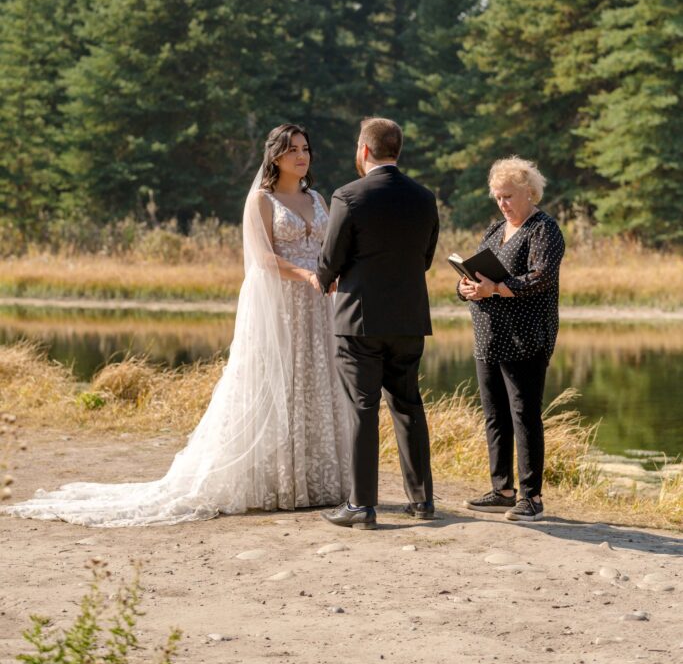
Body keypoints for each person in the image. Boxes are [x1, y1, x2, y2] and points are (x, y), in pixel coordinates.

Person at [2, 124, 350, 526]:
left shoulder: (317, 197)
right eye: (292, 150)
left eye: (305, 149)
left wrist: (332, 275)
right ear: (275, 156)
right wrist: (306, 276)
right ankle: (279, 482)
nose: (301, 156)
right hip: (282, 306)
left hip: (319, 305)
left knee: (314, 384)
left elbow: (328, 249)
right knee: (276, 383)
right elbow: (263, 260)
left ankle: (317, 481)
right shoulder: (261, 200)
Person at [317, 117, 440, 530]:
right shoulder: (424, 198)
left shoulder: (348, 196)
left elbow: (330, 259)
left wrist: (325, 277)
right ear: (397, 151)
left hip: (359, 321)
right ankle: (422, 501)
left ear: (364, 151)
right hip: (408, 319)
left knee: (363, 409)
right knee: (409, 406)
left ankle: (361, 504)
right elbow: (424, 258)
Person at [458, 156, 565, 523]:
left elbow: (541, 277)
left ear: (530, 193)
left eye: (509, 196)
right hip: (489, 335)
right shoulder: (493, 230)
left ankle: (532, 497)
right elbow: (474, 273)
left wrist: (498, 288)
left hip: (526, 337)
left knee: (524, 414)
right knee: (494, 416)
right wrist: (466, 286)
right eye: (498, 197)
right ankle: (502, 490)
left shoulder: (543, 229)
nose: (503, 203)